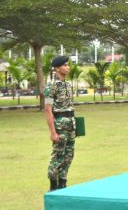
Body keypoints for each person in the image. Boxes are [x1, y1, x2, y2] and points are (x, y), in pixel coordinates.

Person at [44, 56, 76, 191]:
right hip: (59, 125)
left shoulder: (68, 84)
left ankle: (63, 181)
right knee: (58, 155)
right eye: (65, 65)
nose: (68, 67)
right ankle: (53, 184)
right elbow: (47, 110)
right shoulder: (51, 85)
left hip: (70, 123)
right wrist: (53, 132)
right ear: (57, 68)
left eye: (68, 65)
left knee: (69, 154)